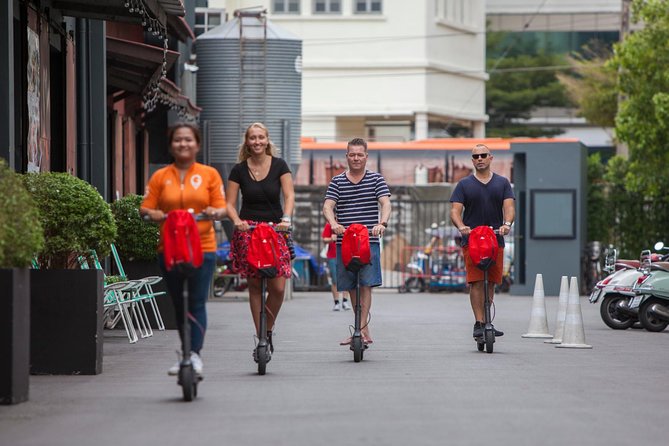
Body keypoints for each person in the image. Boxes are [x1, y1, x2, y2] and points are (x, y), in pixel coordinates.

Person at [140, 123, 227, 377]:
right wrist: (153, 213)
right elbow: (145, 207)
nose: (183, 144)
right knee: (179, 304)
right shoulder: (160, 177)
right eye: (178, 140)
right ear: (171, 145)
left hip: (203, 248)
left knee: (197, 301)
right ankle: (185, 352)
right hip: (170, 248)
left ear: (197, 144)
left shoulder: (209, 174)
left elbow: (221, 207)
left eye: (188, 140)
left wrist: (214, 212)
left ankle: (195, 355)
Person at [226, 122, 295, 361]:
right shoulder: (238, 170)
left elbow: (289, 195)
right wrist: (236, 220)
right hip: (249, 231)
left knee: (277, 287)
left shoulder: (280, 165)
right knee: (255, 287)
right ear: (247, 142)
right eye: (252, 138)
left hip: (276, 231)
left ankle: (267, 329)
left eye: (261, 138)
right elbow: (229, 202)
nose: (257, 142)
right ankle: (261, 338)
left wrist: (286, 218)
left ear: (267, 140)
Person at [323, 137, 391, 345]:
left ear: (366, 157)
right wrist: (333, 223)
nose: (356, 158)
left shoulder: (376, 179)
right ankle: (362, 330)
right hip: (345, 241)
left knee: (367, 285)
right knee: (352, 286)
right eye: (352, 154)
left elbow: (385, 203)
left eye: (360, 154)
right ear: (346, 157)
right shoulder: (337, 181)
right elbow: (328, 206)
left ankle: (358, 330)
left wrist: (382, 223)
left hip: (368, 240)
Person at [449, 143, 515, 338]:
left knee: (492, 282)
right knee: (477, 282)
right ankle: (479, 323)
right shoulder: (464, 185)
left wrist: (507, 224)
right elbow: (455, 211)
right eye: (476, 156)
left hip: (496, 239)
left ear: (490, 158)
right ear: (472, 160)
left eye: (483, 155)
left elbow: (509, 208)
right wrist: (461, 227)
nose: (480, 159)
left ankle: (488, 321)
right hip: (473, 241)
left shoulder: (502, 183)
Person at [322, 222, 351, 311]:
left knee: (347, 277)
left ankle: (345, 301)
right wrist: (331, 238)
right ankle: (336, 302)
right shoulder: (329, 224)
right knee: (335, 279)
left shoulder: (348, 222)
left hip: (346, 254)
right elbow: (324, 239)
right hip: (333, 256)